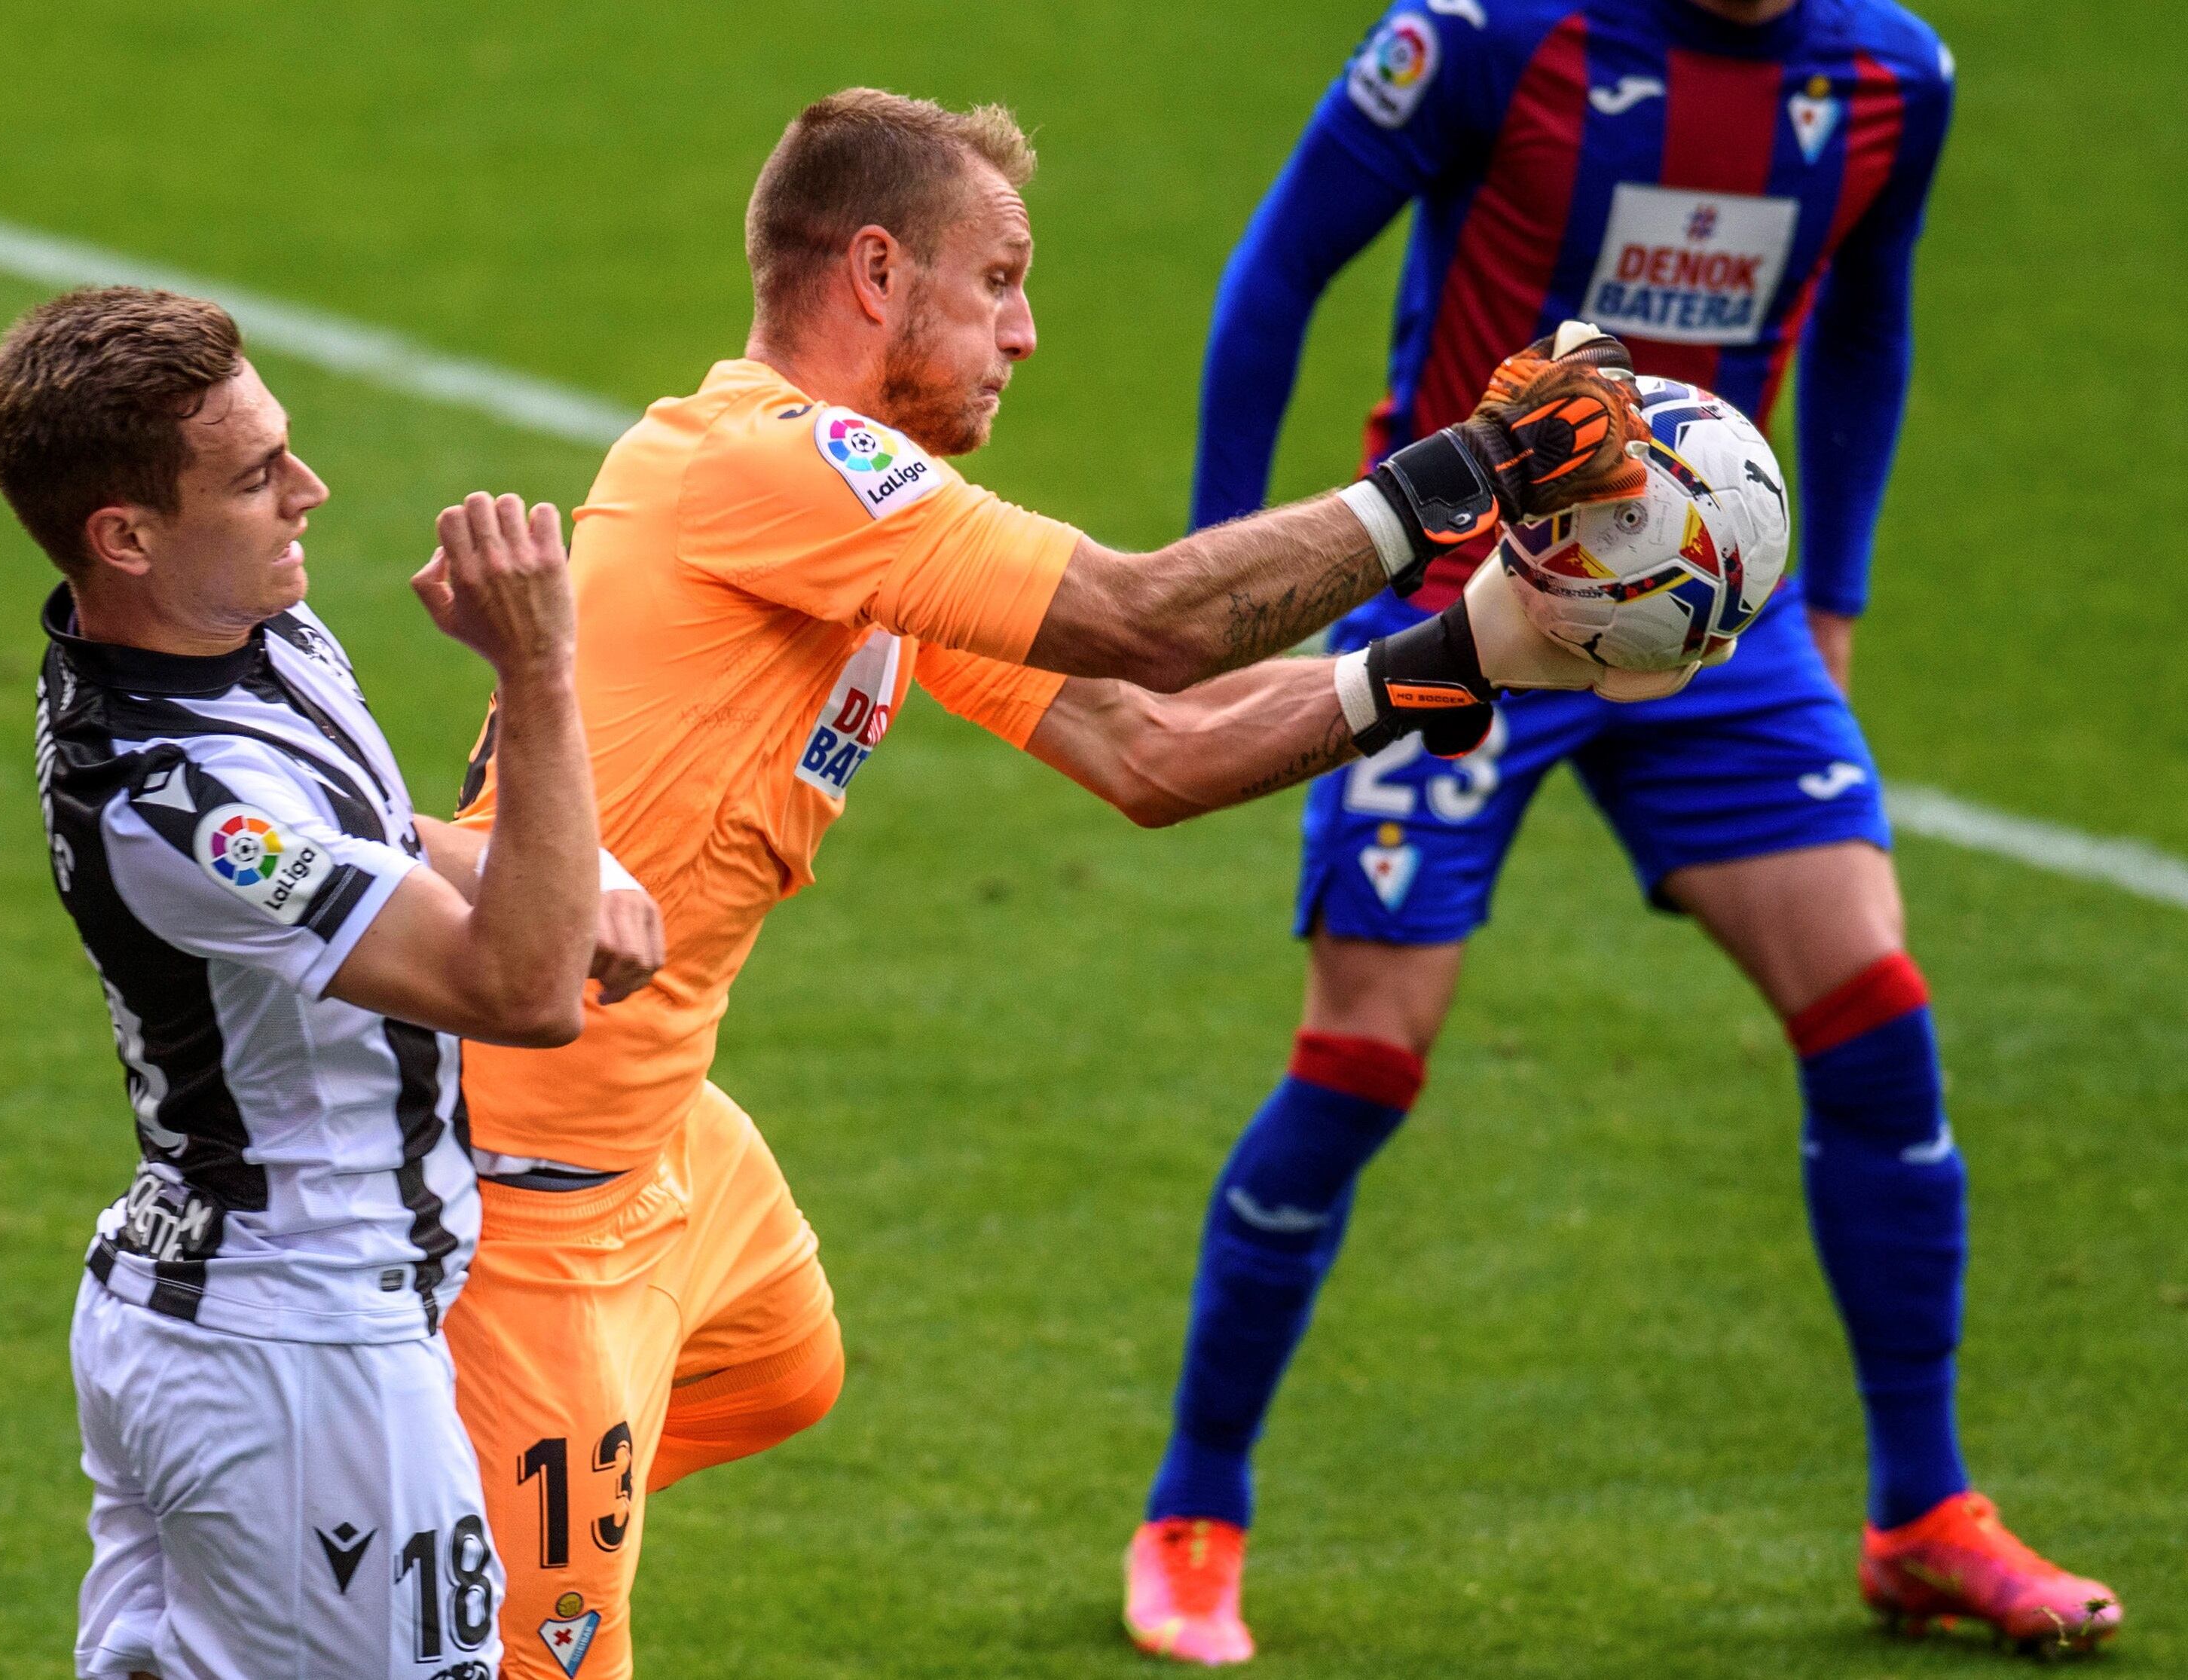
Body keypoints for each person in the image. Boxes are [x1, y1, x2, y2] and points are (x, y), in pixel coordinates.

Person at [434, 90, 1659, 1679]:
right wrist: (1473, 467)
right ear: (877, 272)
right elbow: (1156, 619)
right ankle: (437, 1555)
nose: (1026, 332)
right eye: (997, 279)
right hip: (525, 1185)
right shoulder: (773, 468)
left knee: (781, 1362)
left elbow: (1150, 747)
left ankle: (427, 1521)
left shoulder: (858, 527)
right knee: (529, 1659)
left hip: (659, 1128)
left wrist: (1468, 651)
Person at [1123, 0, 2121, 1663]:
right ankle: (1195, 1506)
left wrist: (1844, 591)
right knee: (1363, 1054)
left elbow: (1870, 325)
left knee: (1874, 1011)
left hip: (1722, 622)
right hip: (1465, 601)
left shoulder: (1894, 78)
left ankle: (1925, 1514)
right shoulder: (1487, 41)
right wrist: (1231, 580)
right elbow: (1277, 269)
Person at [0, 286, 663, 1680]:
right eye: (255, 476)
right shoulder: (176, 800)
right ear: (126, 535)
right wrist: (537, 674)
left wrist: (513, 861)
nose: (311, 489)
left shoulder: (240, 629)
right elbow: (524, 993)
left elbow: (372, 833)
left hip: (222, 1314)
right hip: (300, 1354)